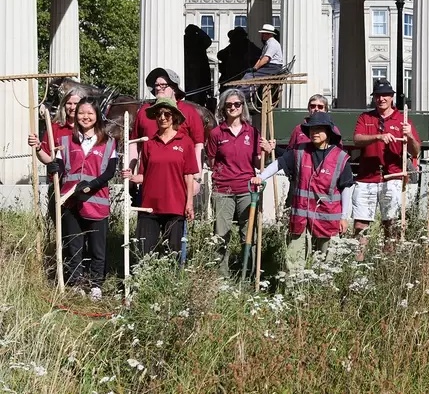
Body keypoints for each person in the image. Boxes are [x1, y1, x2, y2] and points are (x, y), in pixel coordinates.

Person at [251, 111, 354, 278]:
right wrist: (261, 177)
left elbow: (346, 189)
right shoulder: (299, 151)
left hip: (328, 218)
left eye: (319, 129)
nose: (314, 132)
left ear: (328, 132)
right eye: (312, 129)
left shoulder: (341, 158)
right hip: (301, 218)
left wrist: (344, 217)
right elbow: (278, 164)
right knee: (294, 259)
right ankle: (294, 293)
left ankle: (322, 294)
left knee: (327, 262)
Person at [46, 98, 117, 301]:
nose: (85, 117)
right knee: (74, 246)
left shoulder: (109, 142)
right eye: (81, 113)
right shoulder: (67, 141)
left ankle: (96, 285)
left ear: (97, 116)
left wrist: (91, 185)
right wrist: (53, 168)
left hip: (97, 201)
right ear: (75, 116)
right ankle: (76, 283)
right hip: (70, 201)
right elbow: (59, 168)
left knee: (97, 246)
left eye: (90, 113)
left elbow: (110, 171)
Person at [206, 89, 273, 277]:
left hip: (247, 189)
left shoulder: (252, 132)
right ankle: (221, 277)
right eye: (229, 105)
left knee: (249, 233)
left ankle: (250, 275)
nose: (233, 108)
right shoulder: (216, 133)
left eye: (237, 104)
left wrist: (266, 151)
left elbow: (258, 162)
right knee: (221, 234)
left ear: (242, 106)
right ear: (223, 108)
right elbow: (212, 162)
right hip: (223, 189)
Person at [122, 97, 199, 258]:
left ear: (174, 117)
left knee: (173, 254)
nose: (162, 117)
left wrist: (189, 203)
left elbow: (189, 175)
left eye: (167, 114)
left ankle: (172, 283)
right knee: (142, 252)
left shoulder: (186, 142)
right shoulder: (149, 143)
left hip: (175, 205)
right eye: (158, 114)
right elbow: (144, 176)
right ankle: (142, 282)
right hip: (149, 206)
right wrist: (130, 176)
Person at [352, 79, 421, 255]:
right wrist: (378, 137)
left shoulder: (402, 120)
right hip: (367, 177)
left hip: (393, 177)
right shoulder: (365, 117)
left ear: (392, 97)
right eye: (378, 95)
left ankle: (388, 265)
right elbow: (357, 139)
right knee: (361, 224)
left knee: (391, 224)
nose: (381, 98)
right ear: (374, 98)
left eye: (385, 95)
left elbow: (415, 151)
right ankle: (358, 264)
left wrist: (410, 135)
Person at [128, 68, 205, 195]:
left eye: (163, 85)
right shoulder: (145, 111)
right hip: (148, 179)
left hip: (178, 180)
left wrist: (196, 179)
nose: (158, 88)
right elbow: (134, 143)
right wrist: (130, 171)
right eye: (156, 85)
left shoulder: (189, 112)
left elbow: (198, 145)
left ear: (174, 88)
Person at [28, 88, 83, 165]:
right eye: (69, 103)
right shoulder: (54, 128)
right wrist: (38, 147)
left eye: (76, 103)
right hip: (60, 175)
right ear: (64, 105)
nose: (72, 107)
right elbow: (48, 159)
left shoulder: (89, 128)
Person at [184, 24, 213, 107]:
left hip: (196, 73)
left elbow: (208, 41)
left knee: (195, 99)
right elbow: (208, 40)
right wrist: (199, 30)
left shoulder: (194, 41)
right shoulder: (198, 41)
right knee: (196, 100)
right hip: (196, 74)